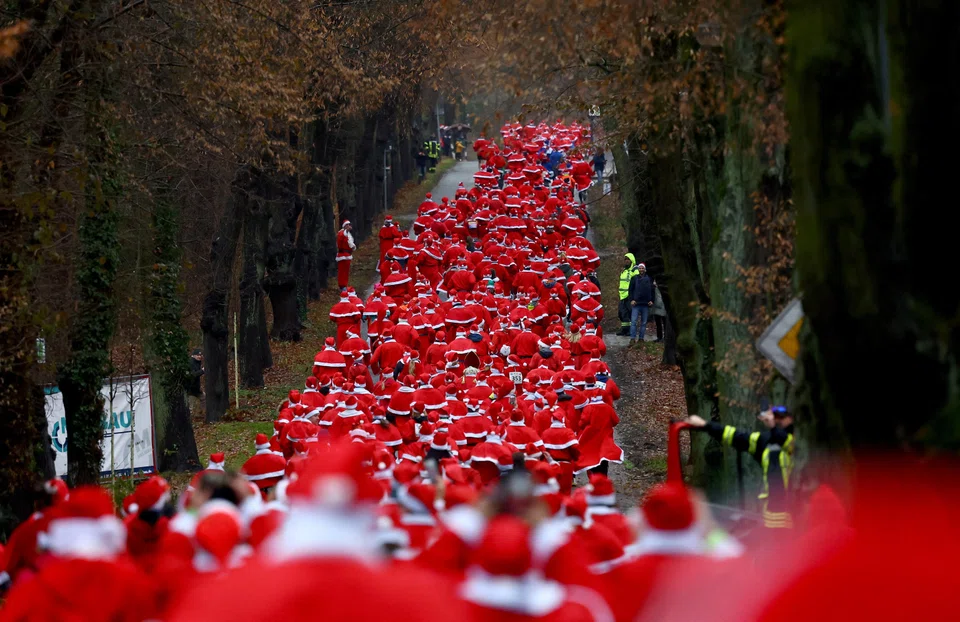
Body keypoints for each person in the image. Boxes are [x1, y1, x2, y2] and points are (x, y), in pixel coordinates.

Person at [684, 405, 796, 529]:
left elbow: (787, 443)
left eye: (782, 417)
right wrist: (705, 425)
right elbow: (735, 435)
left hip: (800, 512)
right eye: (776, 417)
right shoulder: (765, 439)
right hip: (775, 518)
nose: (777, 420)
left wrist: (773, 427)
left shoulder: (799, 439)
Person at [617, 253, 639, 336]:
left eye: (628, 259)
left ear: (631, 260)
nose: (626, 261)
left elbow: (636, 283)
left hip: (630, 296)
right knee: (622, 314)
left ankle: (631, 330)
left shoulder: (634, 270)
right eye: (625, 259)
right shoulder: (624, 271)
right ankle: (625, 330)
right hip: (622, 296)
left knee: (630, 314)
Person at [336, 220, 356, 289]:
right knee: (342, 271)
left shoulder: (348, 234)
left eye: (349, 224)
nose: (349, 226)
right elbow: (342, 238)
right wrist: (346, 231)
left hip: (347, 255)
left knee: (346, 271)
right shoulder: (341, 233)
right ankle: (342, 285)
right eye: (347, 225)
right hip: (342, 255)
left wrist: (353, 247)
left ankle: (344, 285)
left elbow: (350, 243)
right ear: (344, 226)